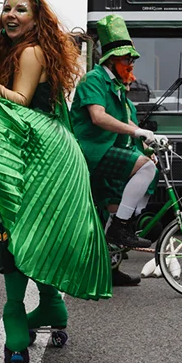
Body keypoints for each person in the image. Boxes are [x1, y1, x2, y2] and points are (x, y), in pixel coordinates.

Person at [0, 0, 111, 363]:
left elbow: (20, 98)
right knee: (43, 229)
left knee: (14, 222)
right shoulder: (31, 50)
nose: (10, 15)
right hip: (58, 149)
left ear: (35, 18)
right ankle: (50, 307)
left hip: (40, 153)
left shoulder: (30, 52)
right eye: (7, 9)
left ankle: (15, 314)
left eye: (20, 10)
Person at [71, 14, 159, 265]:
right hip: (93, 151)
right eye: (126, 58)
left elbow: (124, 119)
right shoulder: (93, 80)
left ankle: (111, 268)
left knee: (111, 207)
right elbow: (98, 117)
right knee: (146, 168)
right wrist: (135, 132)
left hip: (107, 149)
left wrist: (149, 136)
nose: (131, 63)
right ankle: (121, 226)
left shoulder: (117, 86)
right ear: (112, 59)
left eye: (131, 58)